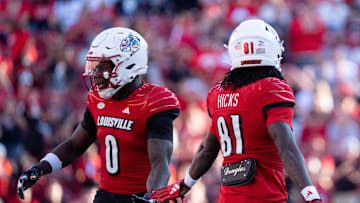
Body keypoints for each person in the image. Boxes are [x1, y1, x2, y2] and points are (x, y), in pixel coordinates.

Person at [149, 19, 322, 203]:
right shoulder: (272, 88)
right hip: (265, 197)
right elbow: (286, 146)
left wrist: (186, 184)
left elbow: (207, 150)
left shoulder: (217, 93)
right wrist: (311, 194)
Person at [17, 27, 180, 203]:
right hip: (105, 196)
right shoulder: (97, 99)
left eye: (103, 67)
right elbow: (74, 145)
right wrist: (41, 168)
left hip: (140, 197)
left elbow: (160, 163)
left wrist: (152, 196)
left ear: (128, 65)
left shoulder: (154, 101)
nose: (96, 74)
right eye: (95, 66)